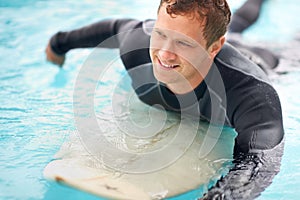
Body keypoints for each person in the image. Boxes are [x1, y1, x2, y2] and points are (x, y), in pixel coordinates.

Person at [45, 0, 284, 199]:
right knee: (236, 25)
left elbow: (258, 163)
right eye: (160, 34)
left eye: (183, 43)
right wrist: (58, 45)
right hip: (213, 36)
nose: (164, 54)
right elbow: (113, 27)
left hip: (269, 59)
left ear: (214, 48)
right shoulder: (137, 45)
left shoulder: (250, 94)